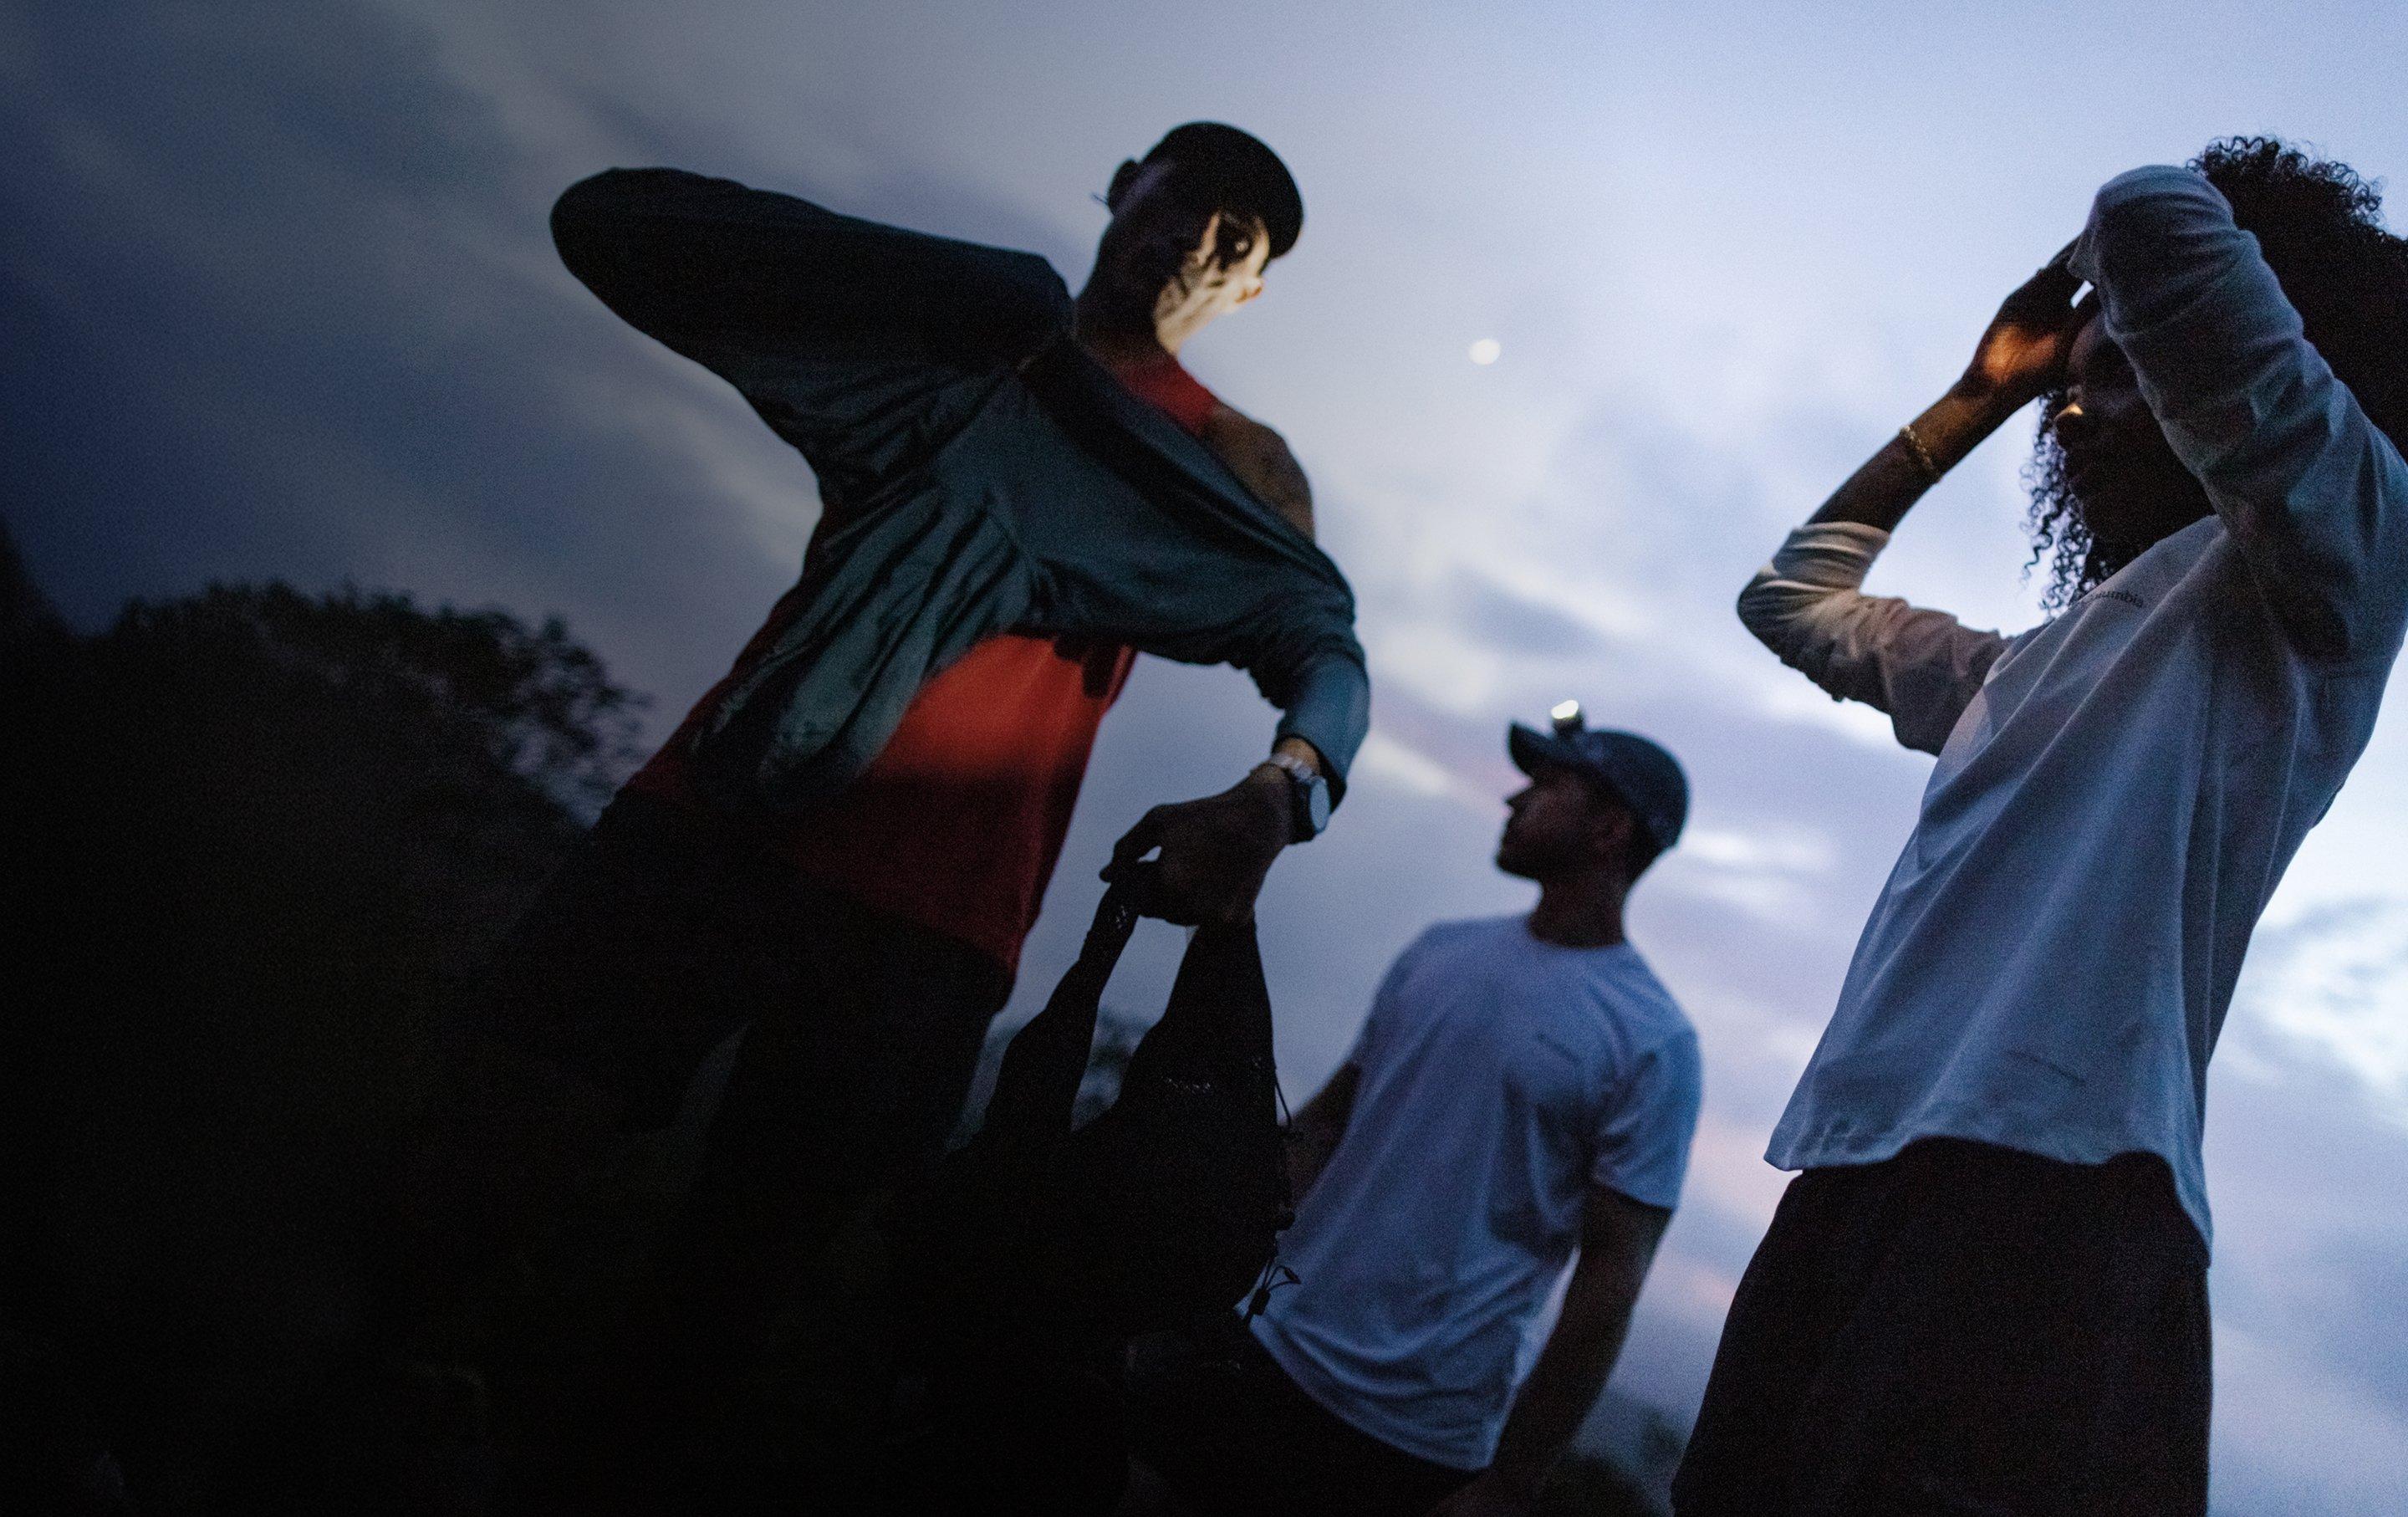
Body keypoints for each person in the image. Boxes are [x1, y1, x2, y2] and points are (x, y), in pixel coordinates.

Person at [369, 123, 1369, 1498]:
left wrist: (1279, 790)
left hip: (932, 921)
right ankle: (335, 1421)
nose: (1202, 238)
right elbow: (619, 222)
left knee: (722, 1312)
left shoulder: (1232, 466)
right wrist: (994, 300)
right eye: (1188, 193)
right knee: (455, 1180)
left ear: (1247, 291)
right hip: (716, 818)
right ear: (1125, 180)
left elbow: (1320, 644)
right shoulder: (948, 350)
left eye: (1240, 240)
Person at [1676, 138, 2408, 1515]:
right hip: (1852, 1171)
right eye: (2073, 392)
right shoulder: (2020, 662)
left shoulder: (2342, 552)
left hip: (2056, 1200)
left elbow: (2150, 218)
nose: (2085, 404)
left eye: (2124, 365)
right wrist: (1977, 395)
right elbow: (1787, 599)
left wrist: (2093, 276)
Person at [1129, 704, 1701, 1516]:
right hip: (1265, 1344)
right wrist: (1207, 1283)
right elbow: (1323, 1124)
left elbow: (1613, 1271)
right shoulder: (1442, 951)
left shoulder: (1651, 1039)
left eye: (1547, 787)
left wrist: (1511, 1480)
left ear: (1611, 829)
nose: (1513, 800)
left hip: (1413, 1431)